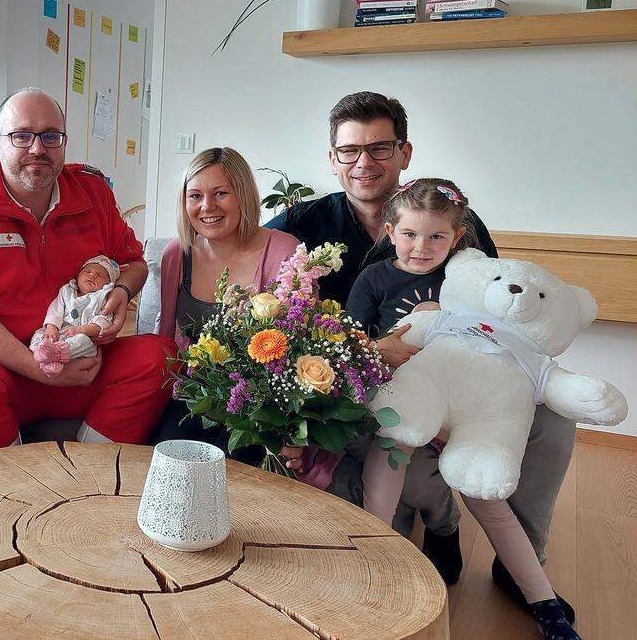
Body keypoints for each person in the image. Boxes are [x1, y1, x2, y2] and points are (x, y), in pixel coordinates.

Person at [267, 91, 576, 621]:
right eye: (349, 150)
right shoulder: (301, 223)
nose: (364, 162)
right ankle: (433, 523)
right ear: (332, 158)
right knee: (395, 464)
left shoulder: (453, 218)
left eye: (380, 147)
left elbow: (497, 311)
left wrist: (469, 396)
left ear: (405, 153)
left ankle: (520, 559)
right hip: (357, 382)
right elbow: (274, 308)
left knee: (553, 422)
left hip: (460, 374)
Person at [357, 179, 576, 639]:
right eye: (411, 234)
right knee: (390, 472)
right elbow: (354, 344)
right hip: (408, 407)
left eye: (437, 236)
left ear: (457, 240)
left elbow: (500, 343)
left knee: (489, 497)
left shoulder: (471, 284)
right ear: (391, 231)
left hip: (472, 415)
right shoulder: (374, 278)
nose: (422, 247)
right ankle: (378, 565)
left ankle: (543, 599)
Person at [0, 87, 174, 453]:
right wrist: (35, 366)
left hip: (85, 364)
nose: (37, 149)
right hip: (7, 370)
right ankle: (12, 485)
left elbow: (134, 263)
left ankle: (88, 471)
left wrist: (122, 291)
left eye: (50, 136)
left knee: (161, 357)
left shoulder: (92, 191)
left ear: (63, 142)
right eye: (21, 136)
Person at [152, 147, 300, 460]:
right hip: (192, 395)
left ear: (243, 195)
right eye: (195, 196)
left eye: (221, 193)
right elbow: (165, 339)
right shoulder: (176, 255)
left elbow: (299, 348)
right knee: (167, 463)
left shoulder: (285, 251)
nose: (207, 207)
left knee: (239, 479)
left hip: (261, 402)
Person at [31, 255, 120, 376]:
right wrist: (51, 327)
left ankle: (57, 353)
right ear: (78, 276)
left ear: (108, 284)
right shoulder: (66, 291)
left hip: (82, 338)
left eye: (100, 275)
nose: (92, 275)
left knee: (83, 341)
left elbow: (103, 322)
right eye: (87, 271)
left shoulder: (103, 298)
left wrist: (81, 330)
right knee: (40, 333)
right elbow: (55, 309)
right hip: (59, 332)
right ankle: (42, 354)